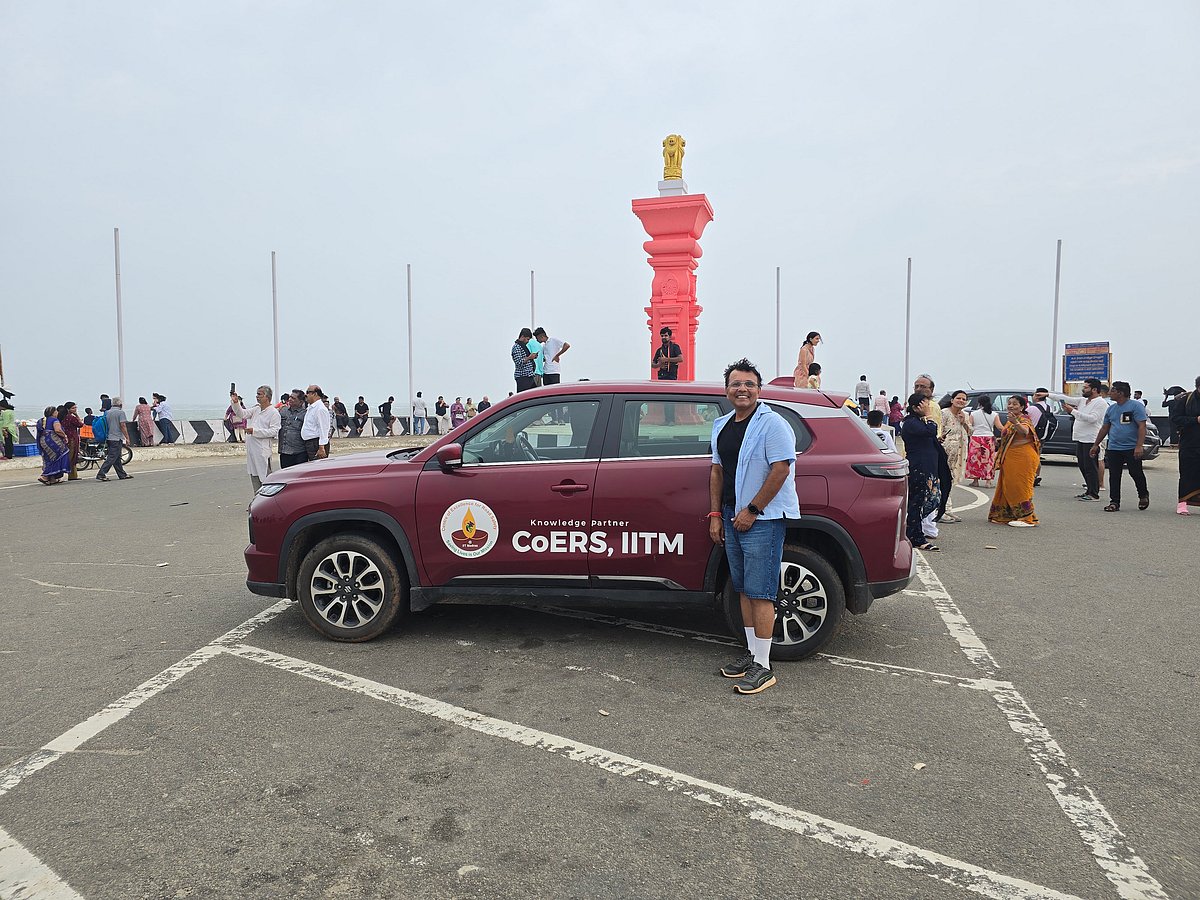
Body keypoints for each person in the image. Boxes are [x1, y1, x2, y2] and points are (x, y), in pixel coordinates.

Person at [709, 358, 800, 696]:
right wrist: (715, 514)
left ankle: (764, 666)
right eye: (736, 384)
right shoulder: (721, 425)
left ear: (758, 390)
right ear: (727, 389)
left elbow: (780, 470)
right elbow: (717, 471)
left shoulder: (772, 424)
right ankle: (752, 654)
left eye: (748, 384)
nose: (742, 389)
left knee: (761, 592)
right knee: (745, 588)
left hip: (761, 519)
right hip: (732, 515)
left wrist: (753, 509)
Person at [1091, 380, 1149, 512]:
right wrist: (1096, 444)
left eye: (1112, 390)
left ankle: (1143, 495)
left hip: (1131, 447)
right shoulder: (1111, 408)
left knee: (1136, 473)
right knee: (1114, 475)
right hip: (1114, 447)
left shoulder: (1135, 406)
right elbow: (1105, 427)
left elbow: (1142, 426)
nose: (1110, 393)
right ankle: (1114, 502)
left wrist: (1139, 446)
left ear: (1120, 393)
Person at [988, 395, 1039, 526]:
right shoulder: (1010, 420)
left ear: (1022, 407)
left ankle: (1026, 518)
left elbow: (1024, 431)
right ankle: (1005, 515)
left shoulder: (1023, 419)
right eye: (1009, 403)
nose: (1011, 406)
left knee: (1019, 487)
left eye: (1015, 404)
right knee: (1007, 485)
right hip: (1010, 457)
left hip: (1022, 457)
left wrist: (1016, 422)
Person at [900, 393, 941, 551]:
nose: (928, 409)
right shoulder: (911, 422)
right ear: (916, 407)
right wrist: (930, 417)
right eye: (925, 406)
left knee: (925, 501)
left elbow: (928, 437)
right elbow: (930, 431)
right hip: (919, 468)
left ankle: (914, 532)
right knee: (917, 503)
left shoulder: (917, 422)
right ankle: (916, 537)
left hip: (926, 467)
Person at [1056, 378, 1106, 502]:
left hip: (1091, 439)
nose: (1083, 390)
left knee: (1090, 467)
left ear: (1094, 389)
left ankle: (1094, 493)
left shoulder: (1100, 403)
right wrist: (1047, 395)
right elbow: (1067, 399)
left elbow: (1092, 419)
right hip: (1080, 438)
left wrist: (1073, 411)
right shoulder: (1083, 401)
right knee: (1083, 466)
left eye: (1086, 387)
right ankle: (1089, 490)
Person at [913, 374, 951, 534]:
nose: (919, 389)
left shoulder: (932, 407)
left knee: (927, 492)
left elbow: (932, 431)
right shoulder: (916, 405)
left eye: (923, 386)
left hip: (927, 454)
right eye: (917, 386)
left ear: (931, 390)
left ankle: (926, 527)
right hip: (916, 453)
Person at [1170, 375, 1200, 515]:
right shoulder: (1185, 400)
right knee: (1187, 473)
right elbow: (1175, 419)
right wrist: (1195, 420)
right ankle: (1182, 503)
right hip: (1190, 442)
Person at [939, 391, 970, 522]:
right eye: (958, 398)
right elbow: (939, 430)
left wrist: (964, 422)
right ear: (952, 400)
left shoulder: (965, 415)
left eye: (964, 399)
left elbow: (970, 432)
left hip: (959, 450)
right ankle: (940, 510)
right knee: (943, 479)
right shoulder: (944, 413)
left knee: (951, 479)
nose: (961, 401)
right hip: (945, 450)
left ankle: (948, 509)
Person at [244, 385, 281, 493]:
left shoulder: (273, 413)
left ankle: (268, 503)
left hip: (262, 451)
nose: (257, 397)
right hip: (252, 450)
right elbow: (242, 413)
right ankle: (257, 502)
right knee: (254, 476)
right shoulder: (256, 409)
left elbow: (274, 431)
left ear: (267, 396)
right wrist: (235, 403)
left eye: (259, 394)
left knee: (265, 479)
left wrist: (254, 432)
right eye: (257, 394)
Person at [966, 395, 1000, 488]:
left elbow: (969, 427)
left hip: (976, 438)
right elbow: (1000, 427)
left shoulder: (973, 414)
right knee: (989, 459)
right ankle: (988, 481)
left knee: (975, 459)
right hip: (989, 438)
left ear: (979, 403)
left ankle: (975, 480)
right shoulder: (994, 414)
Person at [96, 397, 133, 482]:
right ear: (120, 404)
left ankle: (122, 474)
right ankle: (101, 474)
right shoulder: (120, 413)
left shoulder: (107, 413)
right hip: (117, 437)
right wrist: (127, 437)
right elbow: (123, 425)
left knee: (117, 458)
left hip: (109, 437)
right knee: (112, 457)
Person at [36, 406, 71, 485]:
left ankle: (52, 478)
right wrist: (64, 435)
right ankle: (44, 476)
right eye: (56, 411)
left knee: (49, 458)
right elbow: (58, 430)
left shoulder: (41, 420)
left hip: (43, 441)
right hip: (53, 440)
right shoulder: (54, 420)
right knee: (60, 455)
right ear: (54, 413)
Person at [278, 389, 308, 469]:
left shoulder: (305, 414)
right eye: (290, 397)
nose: (290, 399)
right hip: (284, 452)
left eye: (293, 398)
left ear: (301, 402)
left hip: (299, 452)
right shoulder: (283, 411)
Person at [301, 385, 331, 461]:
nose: (306, 395)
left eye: (308, 392)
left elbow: (324, 428)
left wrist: (321, 447)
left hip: (316, 443)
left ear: (315, 394)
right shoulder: (311, 408)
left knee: (318, 467)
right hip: (310, 443)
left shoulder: (320, 409)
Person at [59, 401, 84, 481]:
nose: (75, 409)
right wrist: (76, 415)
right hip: (72, 438)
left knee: (70, 456)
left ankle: (73, 475)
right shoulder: (71, 417)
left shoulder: (62, 417)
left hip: (65, 438)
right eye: (73, 408)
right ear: (68, 409)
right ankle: (71, 475)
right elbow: (80, 424)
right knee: (72, 457)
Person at [513, 328, 538, 392]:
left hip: (529, 376)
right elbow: (519, 362)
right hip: (523, 377)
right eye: (527, 339)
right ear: (522, 336)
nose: (528, 341)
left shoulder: (523, 346)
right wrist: (529, 357)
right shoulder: (516, 347)